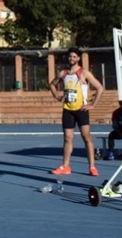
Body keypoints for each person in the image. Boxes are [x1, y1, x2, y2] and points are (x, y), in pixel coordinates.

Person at [49, 46, 104, 177]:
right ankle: (66, 166)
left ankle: (92, 166)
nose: (72, 59)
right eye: (70, 56)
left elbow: (100, 88)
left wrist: (92, 105)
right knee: (68, 138)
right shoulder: (63, 73)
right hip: (68, 109)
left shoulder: (84, 73)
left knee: (86, 137)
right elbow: (52, 84)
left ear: (78, 58)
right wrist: (56, 95)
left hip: (81, 109)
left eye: (74, 57)